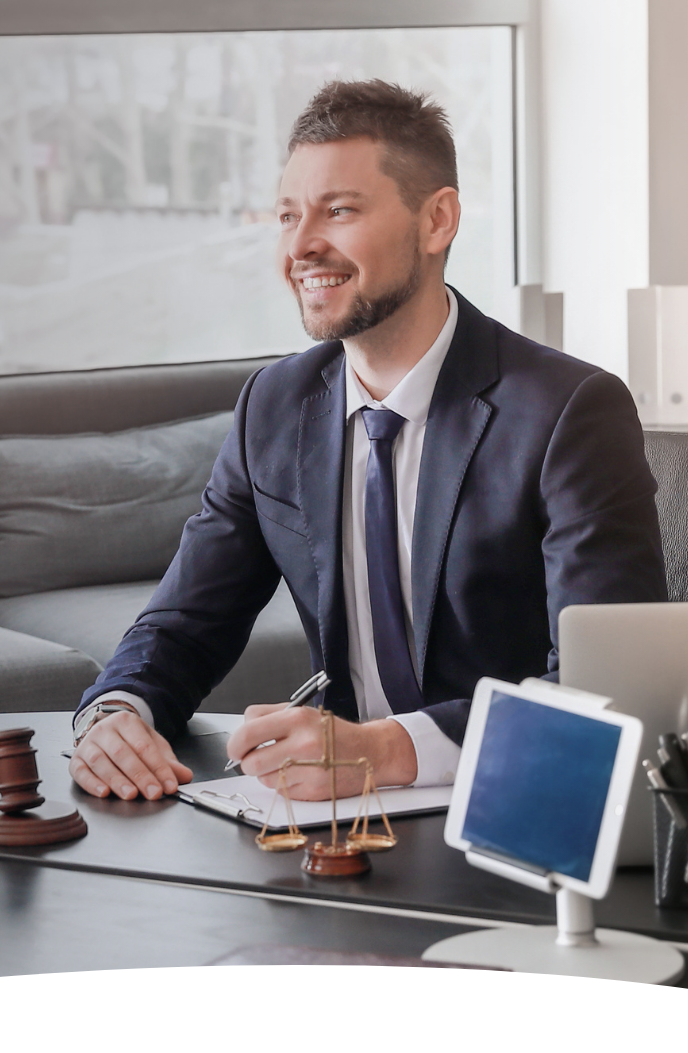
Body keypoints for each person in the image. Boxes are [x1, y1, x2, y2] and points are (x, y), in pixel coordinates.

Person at [68, 79, 666, 803]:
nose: (300, 246)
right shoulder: (274, 405)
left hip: (520, 807)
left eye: (339, 211)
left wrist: (382, 750)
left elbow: (600, 685)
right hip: (345, 823)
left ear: (437, 220)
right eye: (288, 215)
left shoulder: (569, 411)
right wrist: (115, 712)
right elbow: (185, 624)